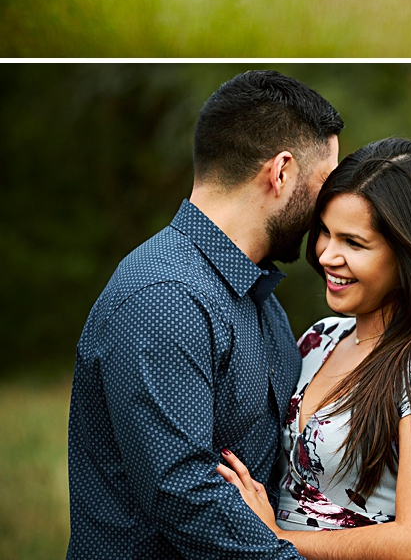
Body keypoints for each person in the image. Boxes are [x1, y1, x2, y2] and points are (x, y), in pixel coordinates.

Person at [66, 69, 343, 560]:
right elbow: (182, 491)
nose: (328, 210)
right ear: (280, 173)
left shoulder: (261, 302)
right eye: (325, 183)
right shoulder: (165, 295)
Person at [217, 138, 411, 560]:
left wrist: (275, 539)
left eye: (353, 243)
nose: (326, 254)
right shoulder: (321, 337)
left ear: (410, 254)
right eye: (325, 231)